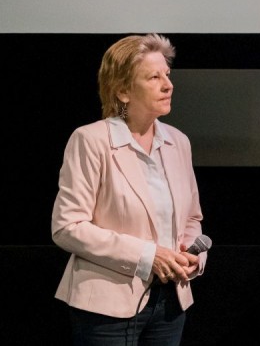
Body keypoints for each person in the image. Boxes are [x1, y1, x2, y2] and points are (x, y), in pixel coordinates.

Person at [51, 33, 207, 345]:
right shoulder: (91, 140)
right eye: (153, 77)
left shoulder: (179, 142)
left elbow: (192, 218)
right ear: (123, 91)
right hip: (105, 308)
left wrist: (191, 257)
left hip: (170, 305)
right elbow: (67, 227)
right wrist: (148, 256)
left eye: (167, 74)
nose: (168, 84)